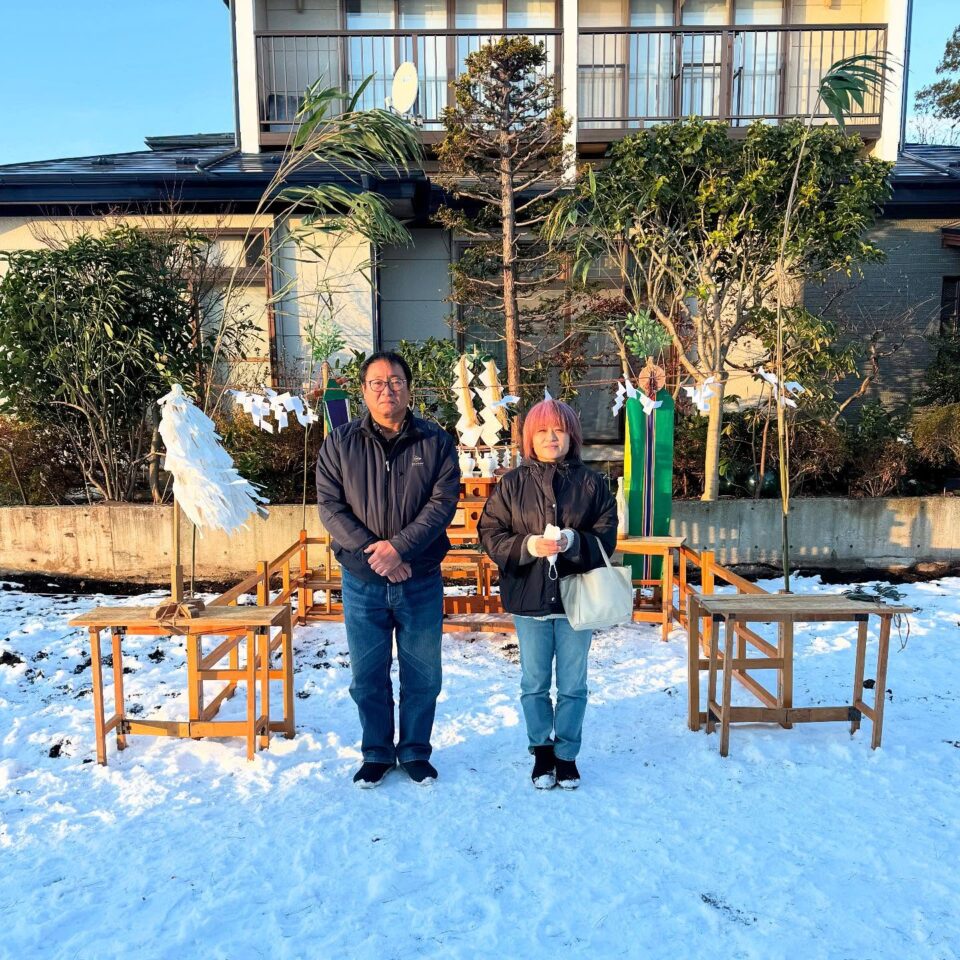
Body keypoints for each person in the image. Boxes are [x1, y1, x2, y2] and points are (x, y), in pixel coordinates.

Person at [316, 351, 460, 788]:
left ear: (409, 388)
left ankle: (415, 750)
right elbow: (330, 507)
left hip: (420, 577)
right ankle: (376, 752)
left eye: (395, 381)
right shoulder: (340, 443)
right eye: (377, 382)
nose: (387, 390)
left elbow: (442, 504)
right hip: (362, 580)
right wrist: (375, 554)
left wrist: (399, 549)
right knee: (367, 676)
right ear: (364, 391)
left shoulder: (435, 441)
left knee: (423, 674)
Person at [478, 399, 617, 790]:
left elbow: (607, 534)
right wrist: (526, 546)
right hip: (529, 598)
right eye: (541, 430)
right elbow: (489, 533)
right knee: (534, 683)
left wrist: (575, 540)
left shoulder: (592, 483)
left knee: (573, 685)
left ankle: (567, 755)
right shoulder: (511, 484)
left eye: (559, 429)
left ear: (572, 435)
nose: (551, 437)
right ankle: (542, 752)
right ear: (529, 437)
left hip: (578, 602)